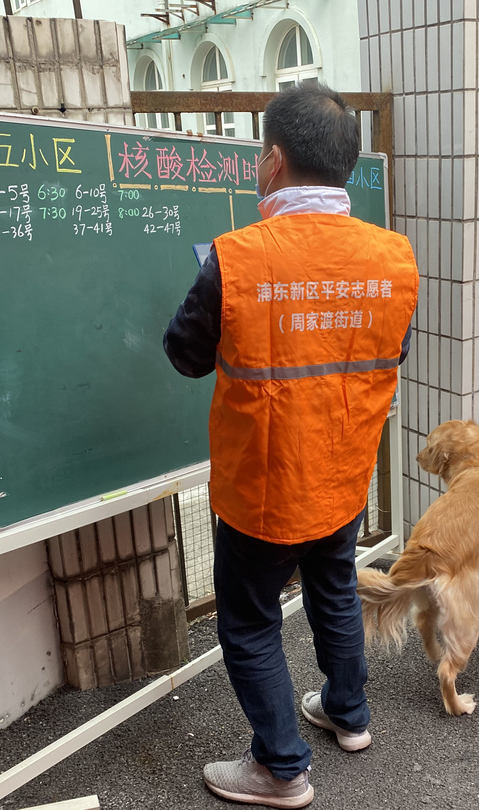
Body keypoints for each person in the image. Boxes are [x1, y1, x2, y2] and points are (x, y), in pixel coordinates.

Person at [164, 83, 418, 807]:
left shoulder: (233, 259)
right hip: (343, 475)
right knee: (334, 588)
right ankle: (349, 714)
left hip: (264, 489)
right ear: (345, 164)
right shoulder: (395, 256)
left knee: (249, 623)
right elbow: (388, 352)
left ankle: (280, 769)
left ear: (273, 161)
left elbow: (185, 354)